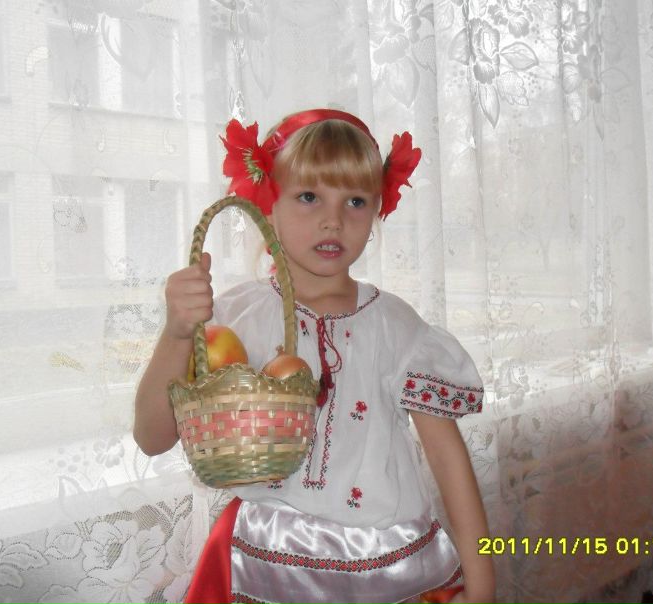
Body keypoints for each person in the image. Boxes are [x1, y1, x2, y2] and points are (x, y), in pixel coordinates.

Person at [133, 108, 496, 604]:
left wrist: (482, 585)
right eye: (309, 196)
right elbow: (152, 437)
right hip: (261, 565)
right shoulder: (234, 318)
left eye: (355, 201)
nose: (333, 220)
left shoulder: (397, 326)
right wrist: (177, 334)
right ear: (268, 203)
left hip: (388, 569)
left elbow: (447, 458)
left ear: (377, 210)